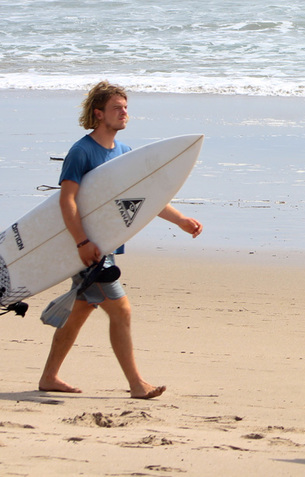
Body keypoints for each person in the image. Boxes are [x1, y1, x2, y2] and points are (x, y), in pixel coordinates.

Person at [38, 81, 203, 399]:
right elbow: (67, 201)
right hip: (90, 249)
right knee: (121, 310)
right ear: (99, 114)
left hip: (105, 245)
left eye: (126, 107)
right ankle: (137, 384)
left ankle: (49, 377)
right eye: (117, 108)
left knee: (81, 310)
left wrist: (180, 219)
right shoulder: (81, 151)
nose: (124, 113)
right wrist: (81, 242)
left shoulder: (125, 154)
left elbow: (142, 201)